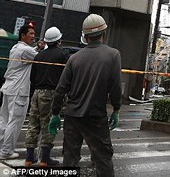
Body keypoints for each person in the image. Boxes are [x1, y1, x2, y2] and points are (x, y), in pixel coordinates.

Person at [49, 14, 121, 176]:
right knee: (103, 159)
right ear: (104, 33)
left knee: (70, 158)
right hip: (96, 116)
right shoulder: (113, 55)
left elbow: (61, 89)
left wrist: (55, 113)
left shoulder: (74, 58)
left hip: (72, 116)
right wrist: (116, 109)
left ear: (85, 36)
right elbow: (115, 86)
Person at [24, 26, 69, 167]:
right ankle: (45, 159)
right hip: (51, 93)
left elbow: (32, 77)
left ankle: (29, 158)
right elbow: (66, 76)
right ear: (58, 40)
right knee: (48, 124)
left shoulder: (39, 56)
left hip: (37, 92)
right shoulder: (62, 55)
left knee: (33, 124)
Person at [0, 24, 43, 160]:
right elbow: (40, 57)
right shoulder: (25, 50)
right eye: (30, 33)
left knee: (4, 119)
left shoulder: (15, 48)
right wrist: (43, 48)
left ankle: (2, 147)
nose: (33, 36)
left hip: (8, 87)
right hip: (18, 90)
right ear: (22, 35)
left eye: (33, 33)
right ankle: (6, 151)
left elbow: (31, 53)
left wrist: (37, 48)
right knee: (15, 121)